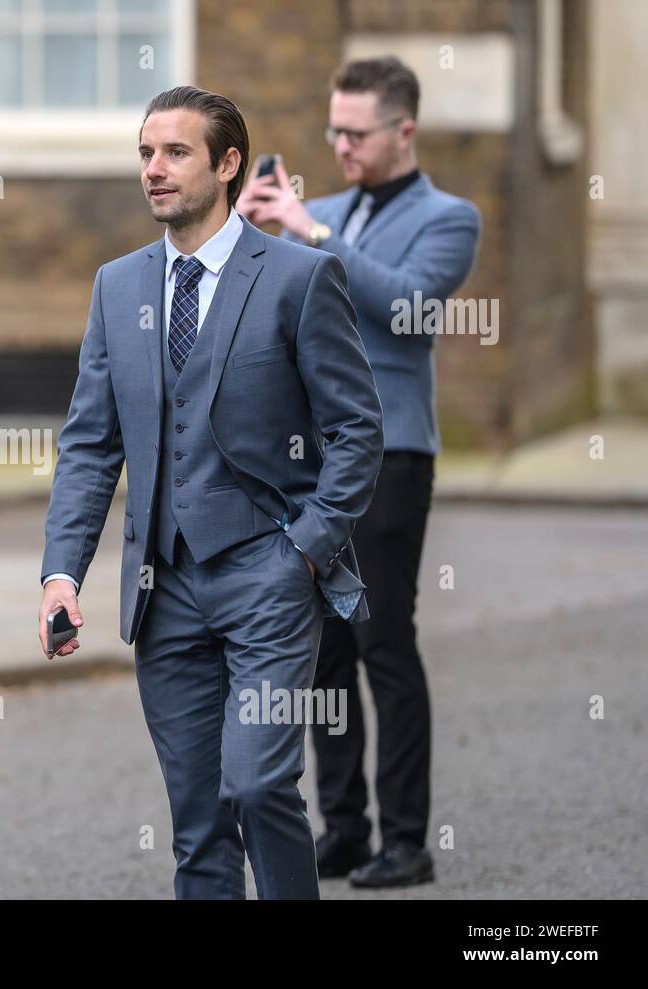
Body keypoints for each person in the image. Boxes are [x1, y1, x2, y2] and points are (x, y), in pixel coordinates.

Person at [39, 86, 382, 899]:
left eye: (176, 152)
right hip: (165, 589)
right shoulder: (117, 288)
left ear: (228, 164)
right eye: (145, 153)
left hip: (270, 575)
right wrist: (61, 571)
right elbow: (91, 443)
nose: (154, 170)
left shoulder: (299, 278)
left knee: (260, 786)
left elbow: (358, 428)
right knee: (197, 828)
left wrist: (305, 549)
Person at [237, 56, 481, 888]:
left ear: (403, 131)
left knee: (384, 641)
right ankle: (343, 825)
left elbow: (407, 311)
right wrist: (247, 231)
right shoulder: (323, 210)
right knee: (325, 651)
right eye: (332, 128)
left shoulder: (452, 218)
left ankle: (407, 838)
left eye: (355, 131)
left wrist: (309, 232)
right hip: (317, 463)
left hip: (395, 455)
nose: (338, 143)